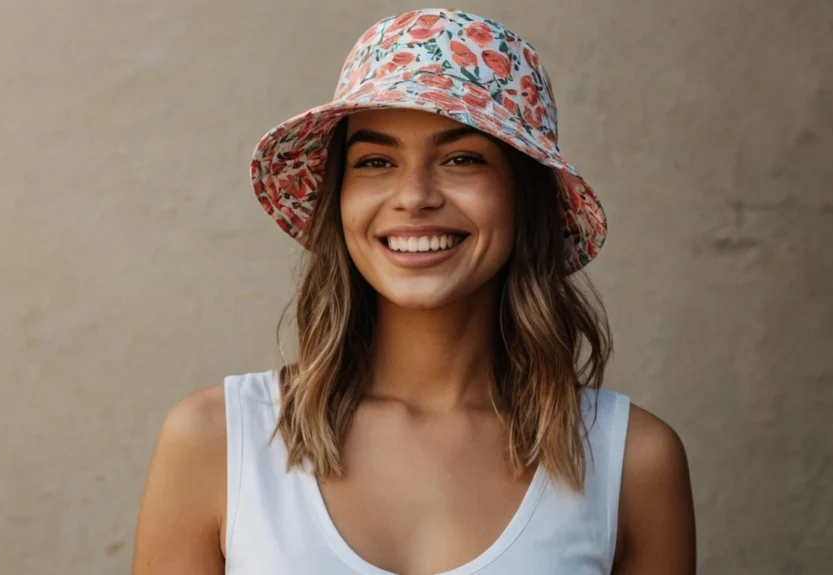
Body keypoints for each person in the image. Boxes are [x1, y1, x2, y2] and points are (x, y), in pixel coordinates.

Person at [132, 8, 696, 575]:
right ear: (340, 201)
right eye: (375, 161)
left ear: (525, 198)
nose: (414, 196)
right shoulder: (215, 442)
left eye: (461, 158)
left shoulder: (634, 463)